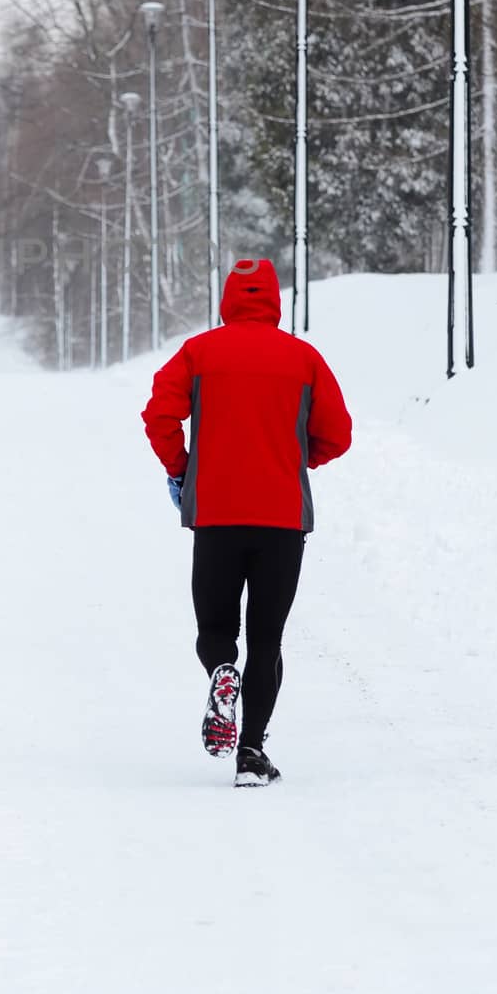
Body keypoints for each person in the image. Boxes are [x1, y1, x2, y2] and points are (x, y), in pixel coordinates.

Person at [141, 257, 352, 788]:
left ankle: (220, 674)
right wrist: (297, 458)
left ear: (227, 299)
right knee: (267, 638)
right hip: (282, 520)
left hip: (215, 515)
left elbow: (159, 415)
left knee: (216, 629)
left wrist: (182, 468)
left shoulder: (199, 353)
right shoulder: (304, 360)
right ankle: (252, 754)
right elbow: (338, 434)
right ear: (275, 301)